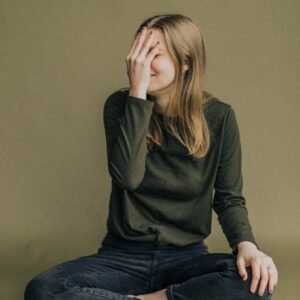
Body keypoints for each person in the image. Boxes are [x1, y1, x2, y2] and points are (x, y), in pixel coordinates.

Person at [24, 14, 278, 300]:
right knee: (43, 290)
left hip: (187, 258)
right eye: (137, 52)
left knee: (257, 283)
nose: (139, 63)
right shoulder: (120, 105)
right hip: (122, 258)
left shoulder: (220, 117)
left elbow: (229, 199)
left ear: (186, 63)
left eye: (153, 54)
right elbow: (128, 177)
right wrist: (137, 94)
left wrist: (248, 246)